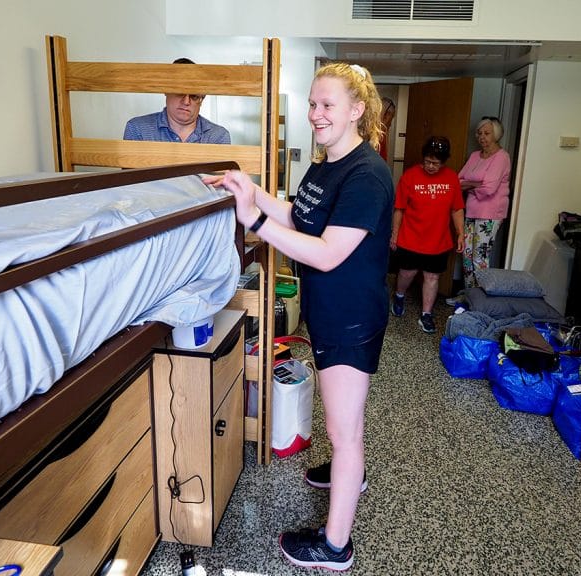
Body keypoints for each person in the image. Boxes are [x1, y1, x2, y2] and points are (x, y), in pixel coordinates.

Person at [207, 62, 392, 571]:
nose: (315, 114)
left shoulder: (367, 176)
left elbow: (328, 252)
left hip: (351, 318)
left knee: (345, 428)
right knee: (343, 424)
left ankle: (335, 547)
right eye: (313, 104)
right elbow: (300, 215)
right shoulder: (326, 163)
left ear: (357, 111)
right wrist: (249, 191)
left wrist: (256, 222)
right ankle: (344, 470)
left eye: (327, 105)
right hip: (329, 310)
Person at [390, 136, 465, 333]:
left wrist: (460, 233)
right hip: (410, 237)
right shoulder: (410, 176)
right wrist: (394, 234)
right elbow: (399, 208)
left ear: (444, 162)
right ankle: (399, 295)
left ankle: (426, 315)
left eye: (436, 163)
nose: (431, 166)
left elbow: (456, 209)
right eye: (428, 162)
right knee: (407, 272)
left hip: (438, 240)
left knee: (432, 277)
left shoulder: (451, 178)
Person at [456, 116, 511, 291]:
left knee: (480, 258)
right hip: (471, 210)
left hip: (490, 214)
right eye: (479, 133)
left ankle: (480, 300)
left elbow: (489, 190)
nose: (482, 137)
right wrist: (475, 184)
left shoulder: (502, 157)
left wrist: (469, 185)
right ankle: (468, 296)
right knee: (467, 256)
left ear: (496, 135)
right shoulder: (474, 156)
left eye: (487, 133)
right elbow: (458, 181)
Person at [123, 58, 231, 143]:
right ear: (165, 90)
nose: (186, 102)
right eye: (180, 93)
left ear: (202, 99)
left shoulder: (218, 136)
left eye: (194, 96)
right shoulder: (137, 128)